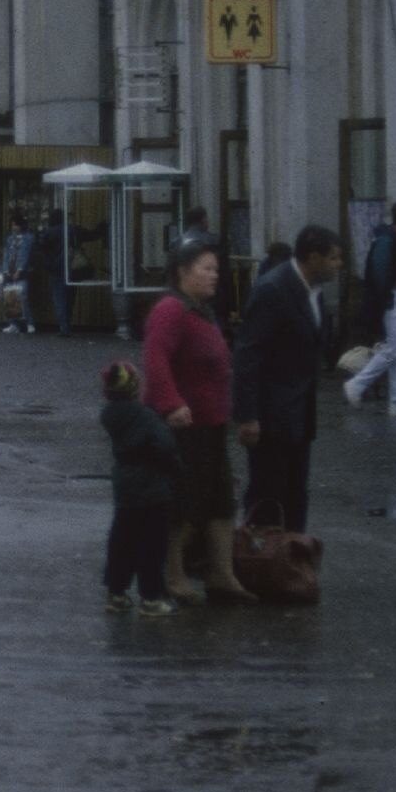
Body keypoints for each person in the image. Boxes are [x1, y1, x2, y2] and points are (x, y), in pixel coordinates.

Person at [140, 236, 251, 604]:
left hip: (211, 423)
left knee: (219, 499)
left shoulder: (201, 310)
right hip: (182, 426)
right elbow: (155, 358)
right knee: (180, 502)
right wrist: (171, 403)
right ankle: (173, 576)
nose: (215, 275)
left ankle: (222, 574)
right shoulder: (170, 309)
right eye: (207, 268)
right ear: (183, 272)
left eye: (216, 269)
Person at [235, 224, 339, 534]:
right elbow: (248, 353)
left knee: (295, 492)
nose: (339, 264)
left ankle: (291, 553)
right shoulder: (274, 289)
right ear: (313, 258)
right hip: (271, 416)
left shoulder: (314, 292)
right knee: (268, 494)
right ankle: (260, 554)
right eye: (334, 258)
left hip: (299, 414)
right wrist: (248, 416)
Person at [99, 361, 181, 616]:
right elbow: (164, 445)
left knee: (122, 539)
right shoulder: (145, 416)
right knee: (152, 543)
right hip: (152, 483)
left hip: (125, 483)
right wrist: (176, 467)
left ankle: (117, 592)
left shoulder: (110, 414)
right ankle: (151, 597)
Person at [343, 201, 396, 415]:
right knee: (395, 348)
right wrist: (385, 297)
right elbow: (380, 273)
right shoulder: (388, 240)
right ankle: (358, 385)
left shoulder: (390, 239)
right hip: (393, 298)